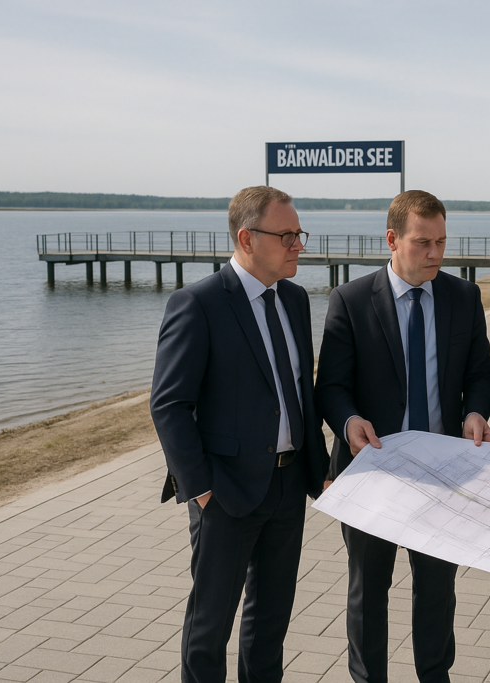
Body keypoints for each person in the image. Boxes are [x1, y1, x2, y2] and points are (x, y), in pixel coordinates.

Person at [150, 186, 329, 683]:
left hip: (288, 487)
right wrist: (201, 489)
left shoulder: (295, 299)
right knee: (209, 631)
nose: (298, 245)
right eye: (287, 235)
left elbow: (301, 393)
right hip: (225, 492)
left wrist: (319, 470)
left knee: (269, 628)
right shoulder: (198, 303)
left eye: (300, 234)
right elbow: (169, 404)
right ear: (247, 238)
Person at [315, 189, 490, 683]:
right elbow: (331, 387)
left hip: (444, 473)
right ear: (392, 239)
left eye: (441, 242)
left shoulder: (464, 297)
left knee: (437, 593)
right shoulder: (351, 300)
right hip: (371, 471)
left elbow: (481, 373)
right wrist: (349, 422)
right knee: (367, 592)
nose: (435, 253)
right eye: (423, 243)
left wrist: (476, 411)